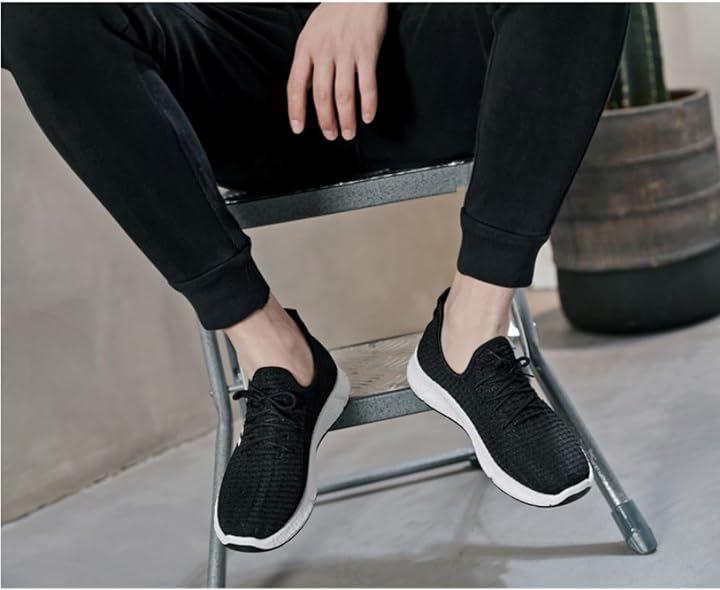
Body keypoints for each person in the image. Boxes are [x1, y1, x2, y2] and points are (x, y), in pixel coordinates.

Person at [2, 3, 629, 551]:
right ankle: (276, 357)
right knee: (35, 11)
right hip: (241, 79)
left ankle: (471, 333)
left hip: (419, 58)